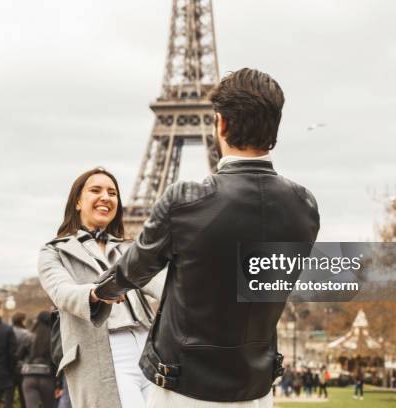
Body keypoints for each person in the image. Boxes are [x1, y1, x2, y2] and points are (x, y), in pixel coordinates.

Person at [95, 68, 320, 407]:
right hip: (256, 387)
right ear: (274, 128)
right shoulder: (305, 206)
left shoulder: (184, 200)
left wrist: (100, 291)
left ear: (221, 124)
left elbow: (132, 271)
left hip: (185, 384)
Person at [38, 167, 163, 408]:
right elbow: (61, 292)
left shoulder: (130, 249)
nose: (106, 197)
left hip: (149, 348)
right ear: (77, 202)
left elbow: (162, 284)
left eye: (112, 192)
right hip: (104, 350)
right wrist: (95, 293)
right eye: (95, 190)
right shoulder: (54, 252)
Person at [17, 311, 56, 408]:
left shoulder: (29, 337)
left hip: (29, 377)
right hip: (47, 378)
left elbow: (18, 356)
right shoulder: (53, 338)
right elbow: (56, 360)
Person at [12, 312, 31, 408]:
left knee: (9, 398)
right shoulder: (27, 334)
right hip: (22, 369)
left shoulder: (8, 331)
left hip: (9, 369)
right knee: (24, 398)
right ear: (22, 321)